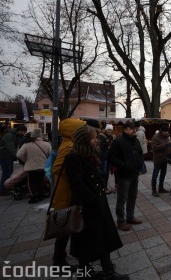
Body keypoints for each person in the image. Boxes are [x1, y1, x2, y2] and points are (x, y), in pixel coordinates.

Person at [65, 125, 128, 280]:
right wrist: (93, 200)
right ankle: (101, 271)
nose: (96, 141)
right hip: (88, 206)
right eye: (93, 138)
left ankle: (96, 270)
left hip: (97, 203)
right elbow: (77, 185)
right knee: (92, 239)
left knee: (98, 238)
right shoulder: (74, 157)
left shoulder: (90, 154)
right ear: (84, 141)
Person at [51, 118, 86, 268]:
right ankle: (58, 261)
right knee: (65, 229)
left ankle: (62, 256)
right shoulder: (69, 146)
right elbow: (57, 167)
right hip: (66, 194)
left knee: (67, 227)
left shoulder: (69, 143)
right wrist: (75, 174)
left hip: (67, 192)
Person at [107, 121, 144, 231]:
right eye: (131, 128)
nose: (134, 130)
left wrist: (140, 164)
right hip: (123, 175)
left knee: (132, 196)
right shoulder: (118, 141)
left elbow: (140, 153)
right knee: (122, 198)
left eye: (135, 128)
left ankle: (130, 217)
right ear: (125, 129)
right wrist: (124, 165)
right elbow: (111, 157)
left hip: (134, 174)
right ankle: (120, 221)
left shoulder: (136, 141)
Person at [16, 128, 51, 204]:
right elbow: (50, 155)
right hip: (43, 166)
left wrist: (26, 160)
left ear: (32, 136)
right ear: (40, 135)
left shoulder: (27, 145)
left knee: (31, 182)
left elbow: (19, 155)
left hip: (31, 167)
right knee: (41, 181)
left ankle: (34, 196)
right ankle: (40, 195)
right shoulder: (47, 144)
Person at [0, 125, 27, 195]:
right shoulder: (9, 136)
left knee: (9, 172)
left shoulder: (16, 135)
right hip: (4, 156)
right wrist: (19, 156)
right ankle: (3, 190)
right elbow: (11, 148)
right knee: (6, 173)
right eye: (22, 132)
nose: (23, 133)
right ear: (18, 131)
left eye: (24, 132)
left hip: (8, 156)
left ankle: (6, 187)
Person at [150, 124, 171, 197]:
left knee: (163, 174)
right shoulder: (155, 137)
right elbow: (154, 148)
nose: (167, 133)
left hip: (164, 159)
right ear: (162, 131)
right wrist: (165, 145)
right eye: (165, 132)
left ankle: (161, 188)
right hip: (157, 159)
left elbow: (169, 143)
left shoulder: (167, 136)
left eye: (167, 132)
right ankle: (154, 190)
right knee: (155, 175)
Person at [98, 124, 115, 191]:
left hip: (108, 158)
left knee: (106, 173)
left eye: (111, 130)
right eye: (108, 129)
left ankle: (105, 187)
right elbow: (101, 150)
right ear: (105, 129)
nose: (109, 131)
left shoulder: (110, 137)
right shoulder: (101, 137)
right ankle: (103, 187)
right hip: (103, 158)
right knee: (103, 173)